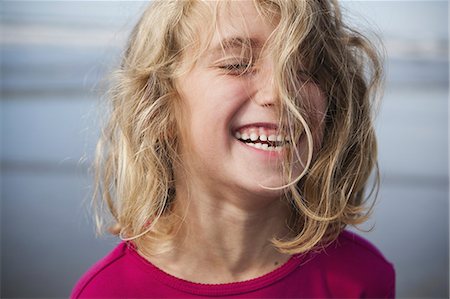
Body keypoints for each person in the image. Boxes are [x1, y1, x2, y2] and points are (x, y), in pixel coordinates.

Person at [71, 0, 395, 298]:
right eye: (237, 64)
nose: (280, 93)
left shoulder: (361, 278)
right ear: (159, 108)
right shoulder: (108, 291)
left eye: (305, 69)